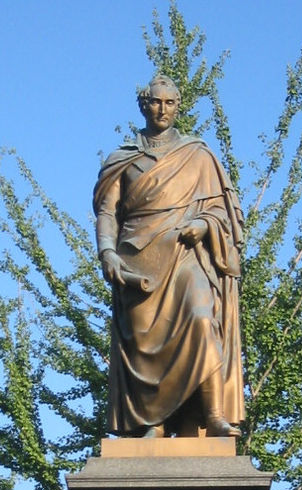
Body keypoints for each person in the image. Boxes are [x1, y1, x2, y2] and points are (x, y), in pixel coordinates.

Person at [93, 74, 245, 438]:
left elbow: (225, 212)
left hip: (186, 254)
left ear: (178, 106)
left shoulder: (198, 155)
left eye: (170, 103)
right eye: (156, 102)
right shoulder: (123, 159)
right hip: (138, 262)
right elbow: (107, 212)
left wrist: (207, 226)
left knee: (201, 315)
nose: (162, 109)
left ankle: (212, 415)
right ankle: (152, 424)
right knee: (145, 345)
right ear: (144, 105)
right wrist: (107, 253)